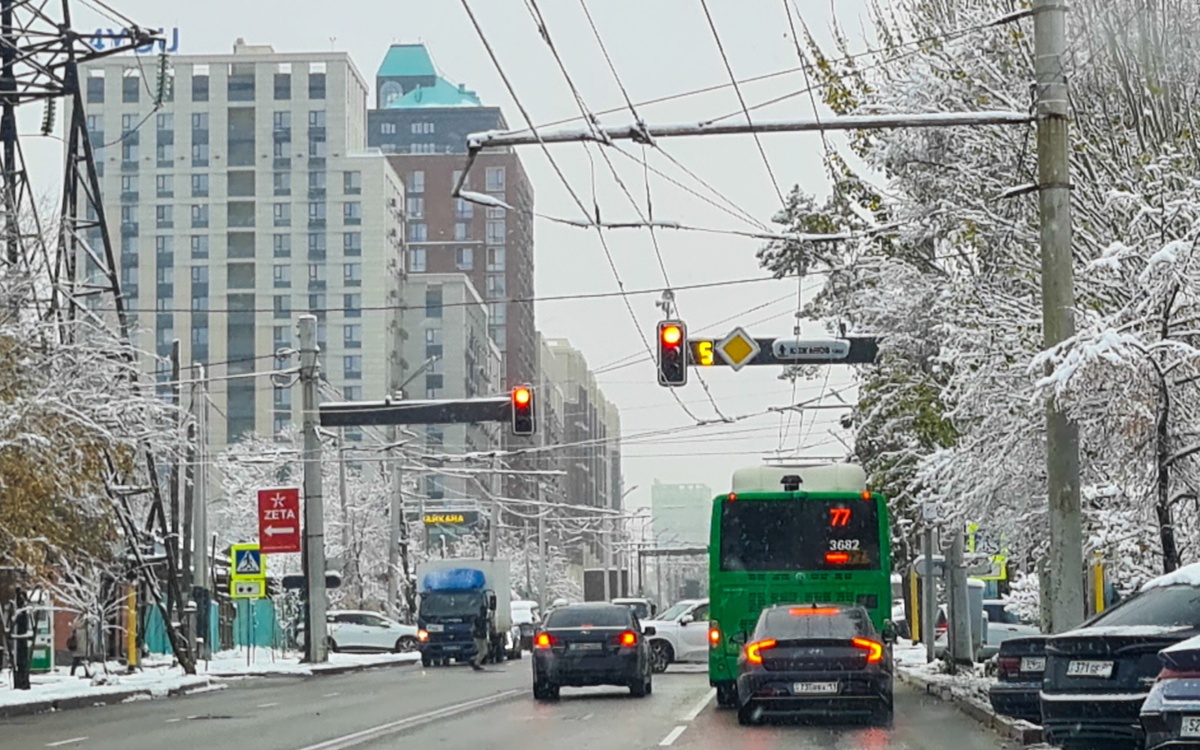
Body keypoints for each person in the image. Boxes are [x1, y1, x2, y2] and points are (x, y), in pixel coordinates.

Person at [470, 603, 490, 672]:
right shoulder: (484, 620)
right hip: (481, 637)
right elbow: (487, 629)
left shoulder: (477, 619)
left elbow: (472, 628)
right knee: (483, 651)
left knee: (482, 651)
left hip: (478, 636)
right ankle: (476, 663)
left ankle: (474, 660)